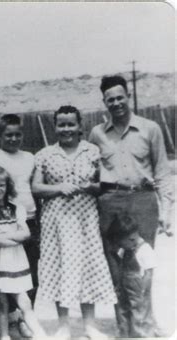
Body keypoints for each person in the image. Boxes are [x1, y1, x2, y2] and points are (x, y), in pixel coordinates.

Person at [88, 75, 173, 332]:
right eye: (110, 99)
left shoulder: (150, 128)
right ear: (104, 102)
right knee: (116, 270)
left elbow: (162, 173)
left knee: (143, 267)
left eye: (120, 97)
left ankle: (144, 325)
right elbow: (90, 174)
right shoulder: (97, 134)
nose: (116, 103)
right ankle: (124, 329)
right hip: (110, 203)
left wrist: (167, 210)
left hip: (143, 201)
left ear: (128, 97)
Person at [32, 106, 116, 340]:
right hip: (56, 222)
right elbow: (36, 188)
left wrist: (91, 187)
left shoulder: (92, 152)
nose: (66, 129)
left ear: (80, 126)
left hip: (85, 221)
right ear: (55, 126)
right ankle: (64, 327)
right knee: (61, 270)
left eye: (71, 124)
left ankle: (89, 325)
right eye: (62, 124)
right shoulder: (45, 154)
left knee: (88, 268)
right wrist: (58, 188)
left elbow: (104, 186)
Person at [0, 114, 39, 337]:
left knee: (29, 276)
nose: (13, 139)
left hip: (28, 219)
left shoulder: (29, 157)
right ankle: (7, 320)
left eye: (17, 134)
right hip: (0, 222)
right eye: (8, 135)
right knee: (3, 277)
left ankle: (23, 318)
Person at [0, 166, 47, 340]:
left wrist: (6, 235)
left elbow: (26, 234)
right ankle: (4, 336)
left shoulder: (16, 208)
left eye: (1, 185)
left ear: (7, 186)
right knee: (1, 305)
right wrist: (13, 237)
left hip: (16, 262)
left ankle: (41, 335)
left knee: (24, 302)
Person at [107, 213, 159, 338]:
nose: (120, 246)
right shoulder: (126, 248)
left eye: (120, 243)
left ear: (131, 238)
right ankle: (124, 333)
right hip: (125, 286)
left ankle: (141, 335)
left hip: (138, 289)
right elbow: (121, 267)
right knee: (123, 309)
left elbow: (149, 272)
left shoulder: (144, 250)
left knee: (139, 312)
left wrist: (143, 290)